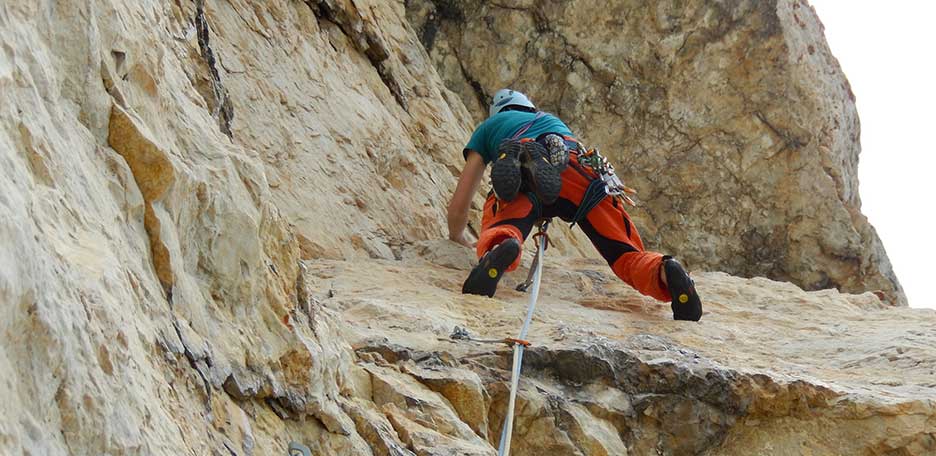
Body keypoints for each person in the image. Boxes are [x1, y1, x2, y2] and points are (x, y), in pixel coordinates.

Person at [447, 89, 703, 321]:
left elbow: (463, 195)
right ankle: (664, 272)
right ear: (528, 107)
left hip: (523, 175)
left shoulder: (489, 126)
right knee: (626, 254)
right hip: (581, 170)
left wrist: (457, 233)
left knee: (504, 219)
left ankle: (501, 247)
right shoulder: (550, 120)